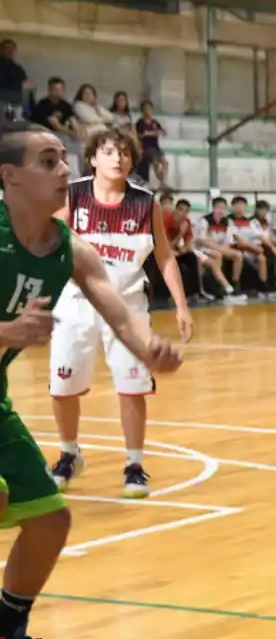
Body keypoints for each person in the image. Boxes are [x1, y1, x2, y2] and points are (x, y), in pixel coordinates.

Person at [0, 121, 183, 639]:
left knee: (50, 522)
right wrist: (4, 333)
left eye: (62, 159)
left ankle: (7, 638)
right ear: (9, 176)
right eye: (48, 161)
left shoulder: (70, 250)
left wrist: (148, 347)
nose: (63, 171)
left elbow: (116, 309)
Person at [48, 130, 194, 498]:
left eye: (125, 153)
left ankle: (134, 464)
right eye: (109, 151)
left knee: (132, 388)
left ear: (133, 160)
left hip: (128, 308)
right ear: (93, 158)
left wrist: (181, 305)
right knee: (63, 387)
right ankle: (68, 454)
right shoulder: (73, 195)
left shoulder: (146, 203)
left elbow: (164, 256)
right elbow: (50, 243)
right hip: (76, 303)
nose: (118, 158)